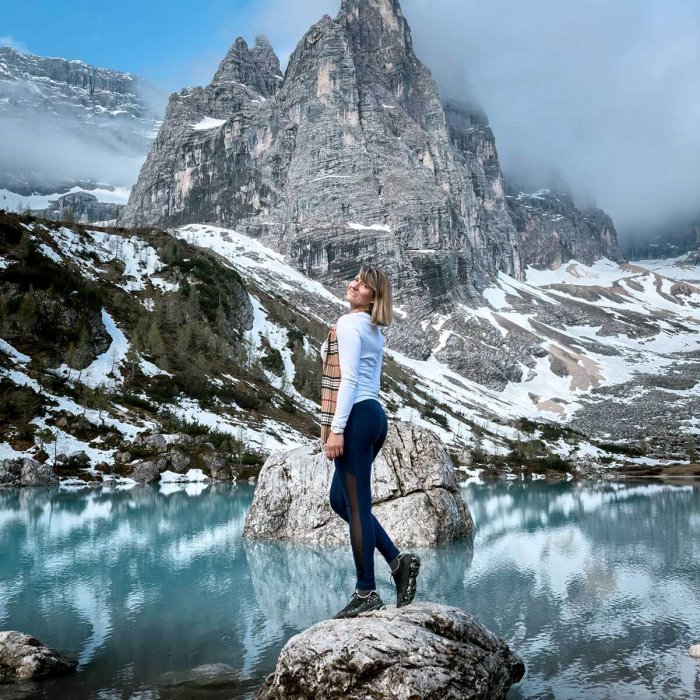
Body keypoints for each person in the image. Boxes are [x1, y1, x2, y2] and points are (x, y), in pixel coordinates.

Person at [320, 266, 420, 619]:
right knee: (340, 501)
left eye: (363, 285)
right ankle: (397, 561)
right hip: (375, 417)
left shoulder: (349, 324)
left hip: (357, 419)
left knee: (358, 507)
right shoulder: (374, 331)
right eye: (355, 280)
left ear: (373, 297)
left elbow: (348, 381)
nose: (354, 285)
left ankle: (366, 591)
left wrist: (336, 429)